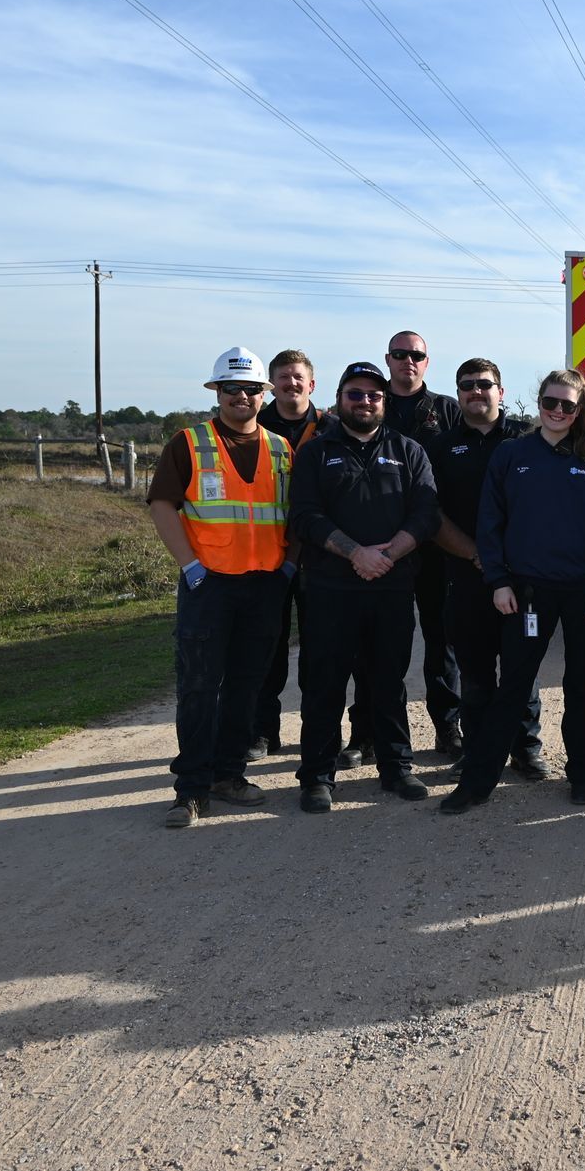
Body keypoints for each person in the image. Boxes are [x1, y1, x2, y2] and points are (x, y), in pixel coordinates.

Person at [441, 370, 585, 814]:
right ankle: (477, 782)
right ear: (538, 402)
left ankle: (582, 776)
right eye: (551, 402)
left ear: (580, 409)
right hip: (527, 593)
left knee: (580, 684)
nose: (558, 411)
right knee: (513, 686)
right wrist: (499, 581)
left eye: (568, 405)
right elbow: (490, 523)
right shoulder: (512, 455)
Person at [145, 346, 293, 828]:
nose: (243, 397)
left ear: (262, 395)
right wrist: (189, 565)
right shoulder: (188, 444)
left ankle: (229, 775)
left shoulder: (280, 449)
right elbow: (163, 505)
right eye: (233, 389)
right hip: (209, 585)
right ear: (217, 392)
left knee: (247, 686)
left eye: (252, 390)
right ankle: (190, 790)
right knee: (199, 687)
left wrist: (287, 566)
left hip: (264, 586)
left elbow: (291, 515)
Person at [287, 361, 440, 812]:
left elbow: (427, 514)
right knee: (325, 682)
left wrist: (387, 555)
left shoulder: (409, 450)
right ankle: (316, 776)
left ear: (384, 402)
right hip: (330, 589)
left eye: (374, 395)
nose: (365, 402)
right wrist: (356, 552)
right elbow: (306, 517)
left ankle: (396, 767)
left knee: (388, 681)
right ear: (339, 399)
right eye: (355, 394)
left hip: (391, 588)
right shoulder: (316, 453)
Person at [426, 358, 545, 777]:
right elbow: (431, 513)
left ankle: (526, 748)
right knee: (474, 673)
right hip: (465, 575)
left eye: (484, 384)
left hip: (523, 579)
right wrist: (477, 554)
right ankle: (476, 751)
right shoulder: (441, 447)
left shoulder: (528, 440)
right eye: (467, 386)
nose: (476, 391)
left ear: (501, 391)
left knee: (522, 668)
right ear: (458, 394)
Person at [381, 330, 465, 757]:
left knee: (441, 641)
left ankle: (447, 729)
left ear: (427, 363)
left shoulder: (448, 411)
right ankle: (375, 734)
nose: (407, 361)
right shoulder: (372, 406)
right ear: (388, 359)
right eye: (400, 354)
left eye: (416, 355)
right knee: (384, 645)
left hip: (436, 547)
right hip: (386, 549)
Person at [251, 348, 327, 760]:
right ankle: (262, 732)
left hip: (319, 557)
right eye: (282, 377)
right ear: (271, 386)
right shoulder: (251, 427)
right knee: (267, 646)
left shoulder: (332, 428)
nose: (291, 383)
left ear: (311, 384)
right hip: (267, 555)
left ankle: (319, 733)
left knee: (320, 650)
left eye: (298, 377)